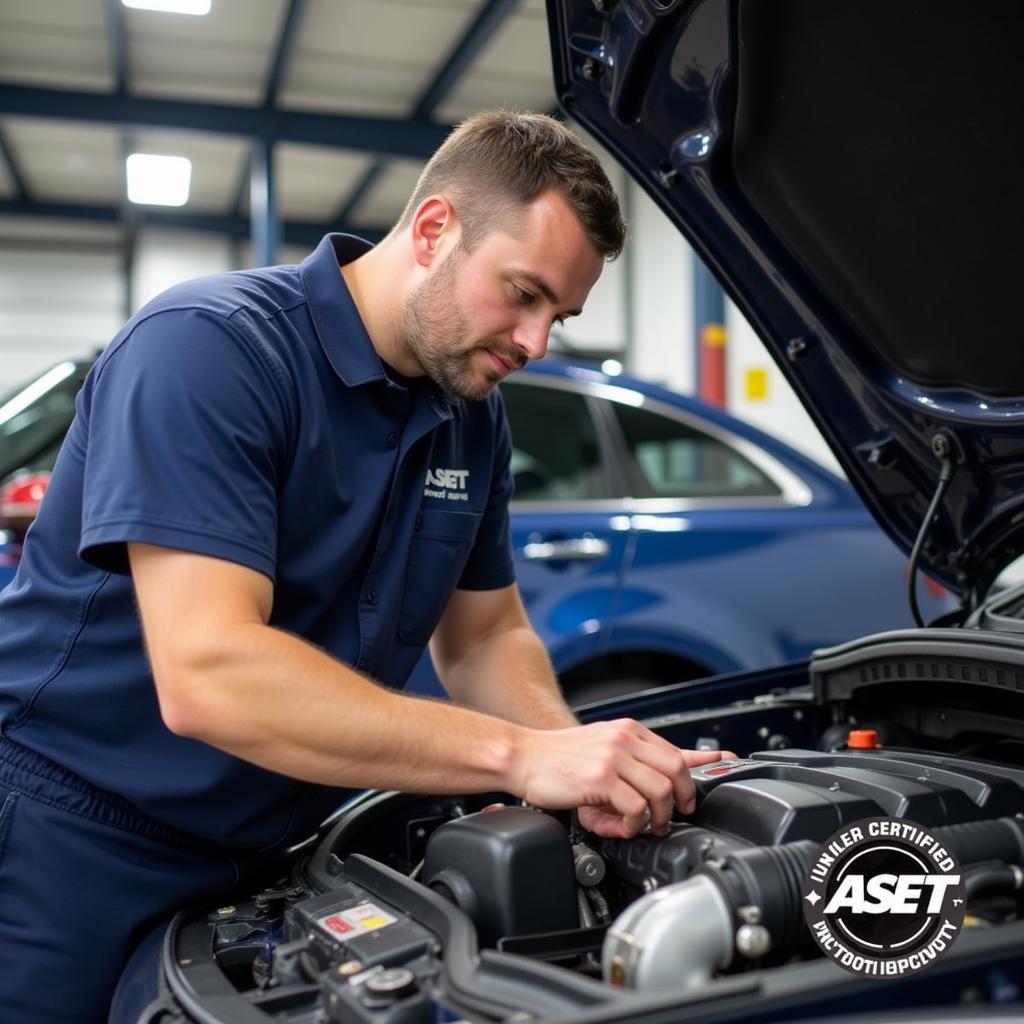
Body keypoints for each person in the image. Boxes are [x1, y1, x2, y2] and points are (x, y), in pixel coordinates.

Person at [0, 111, 732, 1022]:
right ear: (433, 230)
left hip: (279, 849)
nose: (538, 342)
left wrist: (574, 767)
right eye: (524, 293)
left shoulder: (473, 414)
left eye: (561, 315)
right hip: (74, 841)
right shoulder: (209, 350)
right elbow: (210, 675)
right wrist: (519, 755)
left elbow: (486, 633)